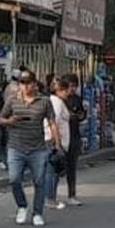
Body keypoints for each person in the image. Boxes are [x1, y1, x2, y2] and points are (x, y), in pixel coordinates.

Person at [0, 70, 62, 227]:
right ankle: (22, 205)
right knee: (14, 179)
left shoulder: (44, 101)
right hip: (16, 147)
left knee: (39, 181)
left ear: (35, 84)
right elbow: (1, 119)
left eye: (28, 83)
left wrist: (57, 143)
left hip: (37, 148)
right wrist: (10, 121)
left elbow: (52, 122)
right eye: (22, 83)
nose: (25, 86)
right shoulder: (13, 100)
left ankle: (37, 213)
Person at [43, 77, 72, 211]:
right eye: (67, 91)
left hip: (55, 141)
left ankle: (51, 197)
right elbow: (54, 123)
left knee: (54, 170)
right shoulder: (56, 103)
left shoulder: (57, 102)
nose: (69, 94)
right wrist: (57, 143)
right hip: (54, 141)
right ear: (61, 90)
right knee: (52, 171)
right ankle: (50, 198)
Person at [63, 73, 85, 205]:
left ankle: (72, 194)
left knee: (72, 167)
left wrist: (80, 115)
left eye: (74, 86)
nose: (72, 89)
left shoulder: (77, 99)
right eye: (70, 86)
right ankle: (50, 196)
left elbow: (82, 114)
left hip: (74, 134)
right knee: (57, 167)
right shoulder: (58, 99)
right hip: (61, 135)